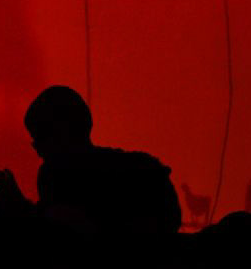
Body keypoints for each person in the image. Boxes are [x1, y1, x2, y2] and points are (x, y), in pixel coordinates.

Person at [22, 85, 182, 236]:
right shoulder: (145, 169)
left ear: (65, 132)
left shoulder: (143, 173)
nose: (37, 147)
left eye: (41, 137)